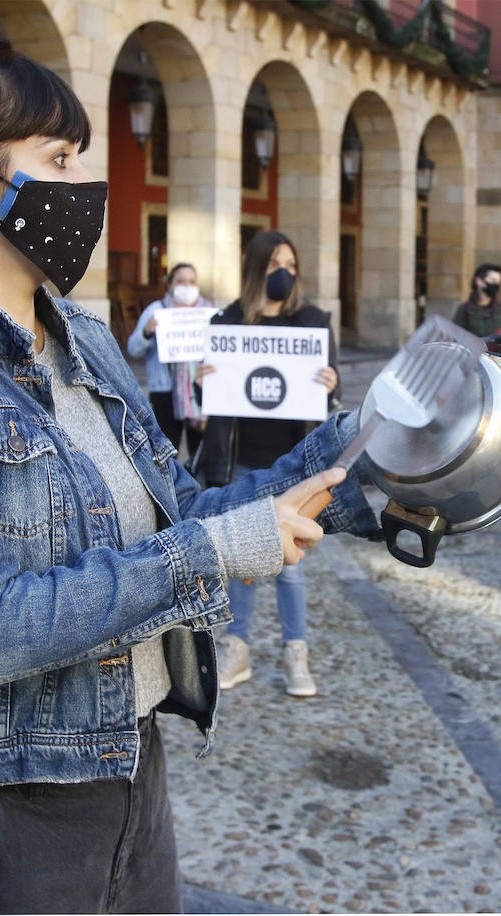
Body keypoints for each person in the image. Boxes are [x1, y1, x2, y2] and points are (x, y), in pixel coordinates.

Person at [0, 41, 376, 913]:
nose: (84, 187)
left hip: (131, 768)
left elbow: (183, 512)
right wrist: (215, 554)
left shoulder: (86, 338)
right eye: (59, 160)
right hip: (0, 814)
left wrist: (369, 446)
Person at [200, 231, 340, 699]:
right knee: (242, 558)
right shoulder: (228, 321)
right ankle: (236, 647)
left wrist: (330, 382)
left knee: (290, 564)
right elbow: (211, 404)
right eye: (276, 262)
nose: (285, 271)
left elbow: (329, 396)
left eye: (292, 263)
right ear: (257, 268)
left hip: (292, 463)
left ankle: (295, 652)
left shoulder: (315, 322)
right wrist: (206, 379)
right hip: (242, 462)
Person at [126, 262, 213, 458]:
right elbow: (133, 349)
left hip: (200, 391)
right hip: (165, 391)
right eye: (181, 281)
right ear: (170, 285)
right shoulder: (156, 311)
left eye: (191, 281)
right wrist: (147, 332)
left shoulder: (208, 312)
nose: (187, 286)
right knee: (167, 449)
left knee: (200, 451)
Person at [452, 263, 501, 338]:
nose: (496, 284)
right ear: (479, 281)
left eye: (498, 281)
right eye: (493, 280)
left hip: (500, 349)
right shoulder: (465, 309)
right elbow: (456, 336)